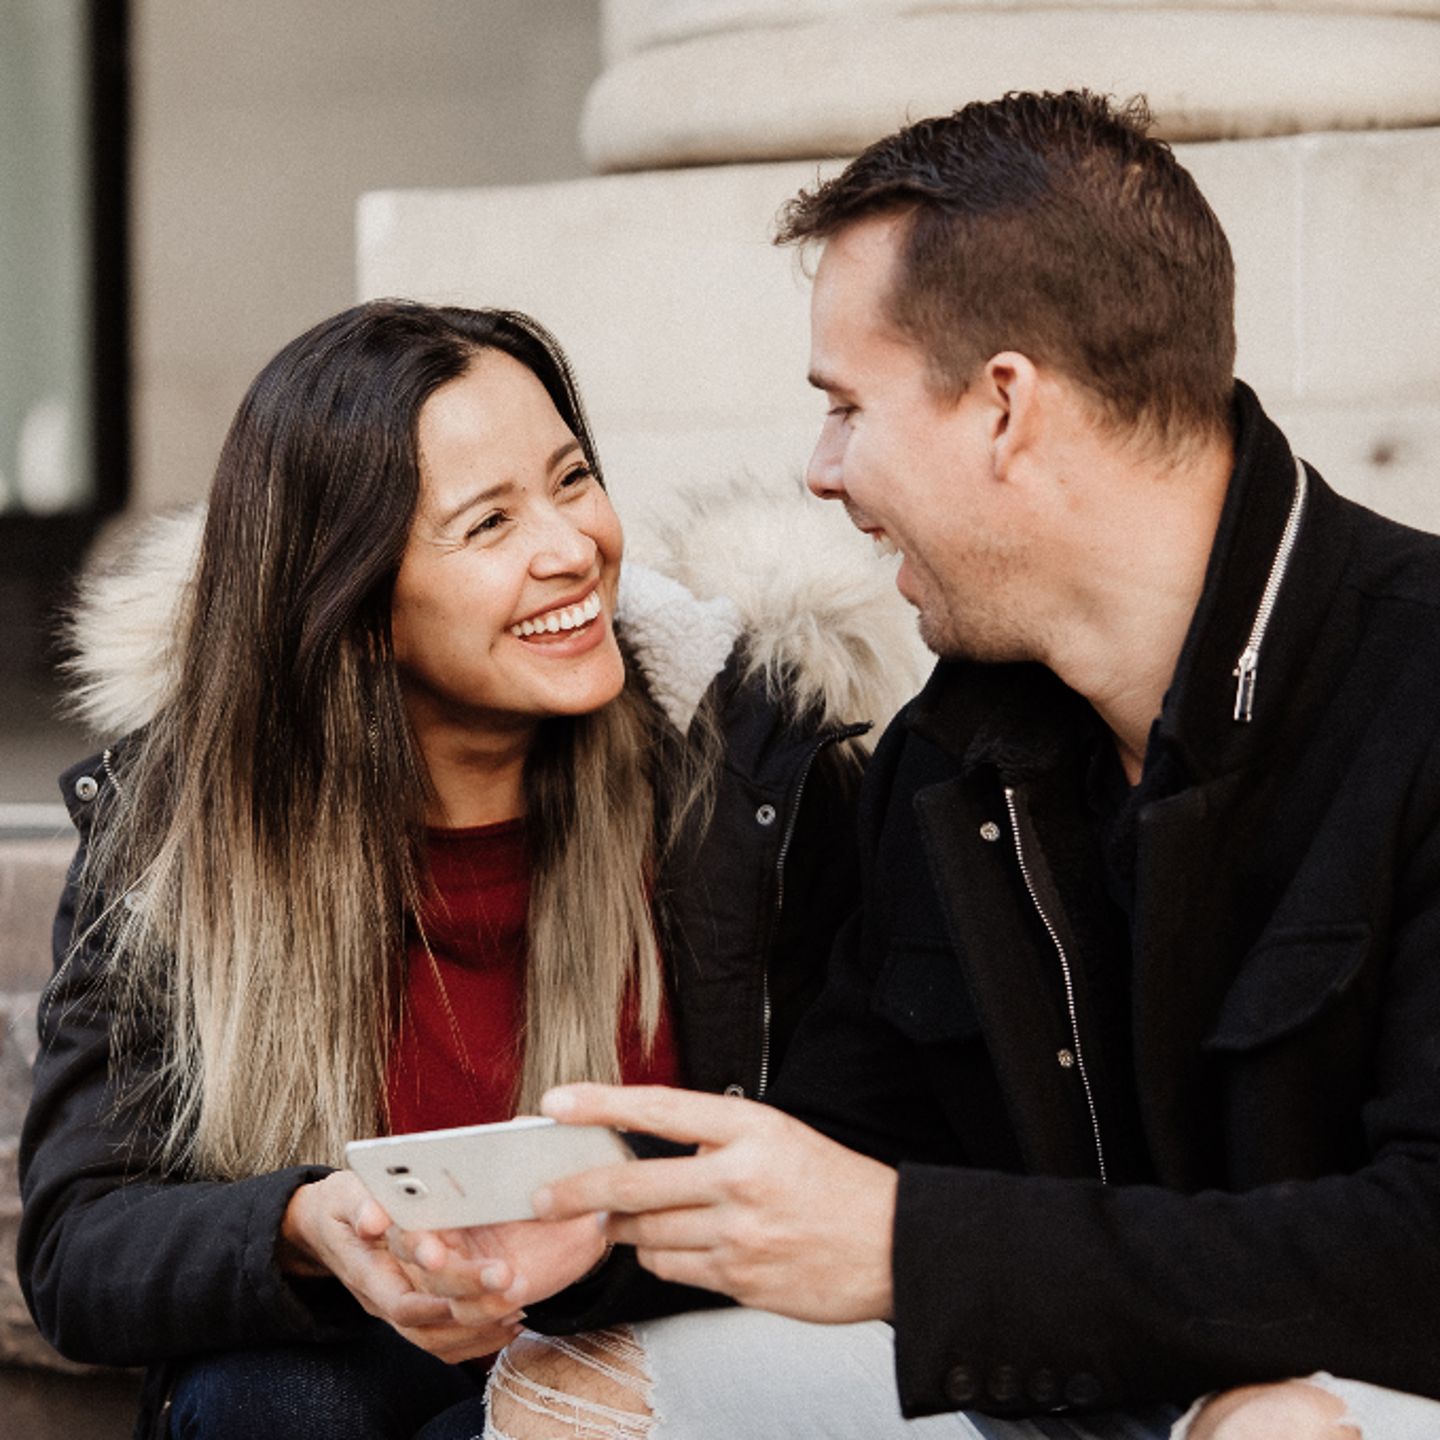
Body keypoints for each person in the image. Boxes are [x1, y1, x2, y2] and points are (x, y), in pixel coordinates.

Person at [457, 93, 1440, 1439]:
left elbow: (1418, 1249)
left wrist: (917, 1251)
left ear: (1003, 408)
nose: (822, 473)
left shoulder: (1418, 679)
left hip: (1368, 1385)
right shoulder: (949, 756)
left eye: (846, 407)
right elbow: (850, 1143)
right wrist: (581, 1226)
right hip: (1080, 1356)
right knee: (576, 1392)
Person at [16, 301, 918, 1440]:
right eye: (490, 522)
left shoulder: (747, 780)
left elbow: (864, 1151)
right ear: (355, 604)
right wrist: (304, 1228)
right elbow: (79, 1244)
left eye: (573, 479)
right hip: (348, 1365)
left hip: (665, 1347)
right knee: (276, 1401)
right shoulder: (179, 834)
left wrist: (599, 1245)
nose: (571, 547)